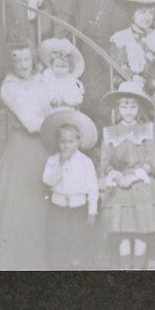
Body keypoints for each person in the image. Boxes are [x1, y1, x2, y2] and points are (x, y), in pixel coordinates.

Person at [0, 43, 55, 269]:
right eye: (17, 60)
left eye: (26, 59)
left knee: (41, 204)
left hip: (43, 146)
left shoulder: (40, 80)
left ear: (32, 59)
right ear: (11, 63)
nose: (23, 64)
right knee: (21, 205)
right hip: (23, 148)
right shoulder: (10, 88)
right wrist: (56, 120)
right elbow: (30, 123)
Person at [97, 80, 155, 270]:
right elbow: (105, 162)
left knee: (140, 233)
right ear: (118, 107)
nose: (128, 110)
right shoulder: (110, 132)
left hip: (140, 183)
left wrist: (134, 177)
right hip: (120, 185)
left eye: (133, 106)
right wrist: (118, 177)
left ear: (139, 108)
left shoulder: (149, 129)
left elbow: (152, 160)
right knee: (124, 234)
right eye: (124, 105)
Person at [40, 108, 100, 270]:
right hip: (57, 208)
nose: (66, 145)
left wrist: (92, 211)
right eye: (63, 142)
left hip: (78, 209)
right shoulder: (53, 160)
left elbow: (92, 187)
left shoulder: (85, 162)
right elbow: (48, 180)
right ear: (58, 142)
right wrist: (60, 163)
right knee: (57, 243)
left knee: (77, 244)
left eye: (71, 142)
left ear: (79, 142)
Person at [110, 0, 155, 85]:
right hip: (130, 86)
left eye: (150, 13)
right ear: (132, 15)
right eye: (142, 13)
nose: (146, 18)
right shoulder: (121, 38)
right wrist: (134, 78)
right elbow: (119, 68)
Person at [38, 37, 86, 111]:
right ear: (51, 65)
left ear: (70, 67)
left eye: (64, 67)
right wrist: (52, 99)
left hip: (67, 110)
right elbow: (42, 91)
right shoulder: (48, 77)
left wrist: (65, 99)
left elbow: (79, 97)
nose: (60, 70)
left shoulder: (73, 81)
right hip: (50, 110)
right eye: (57, 66)